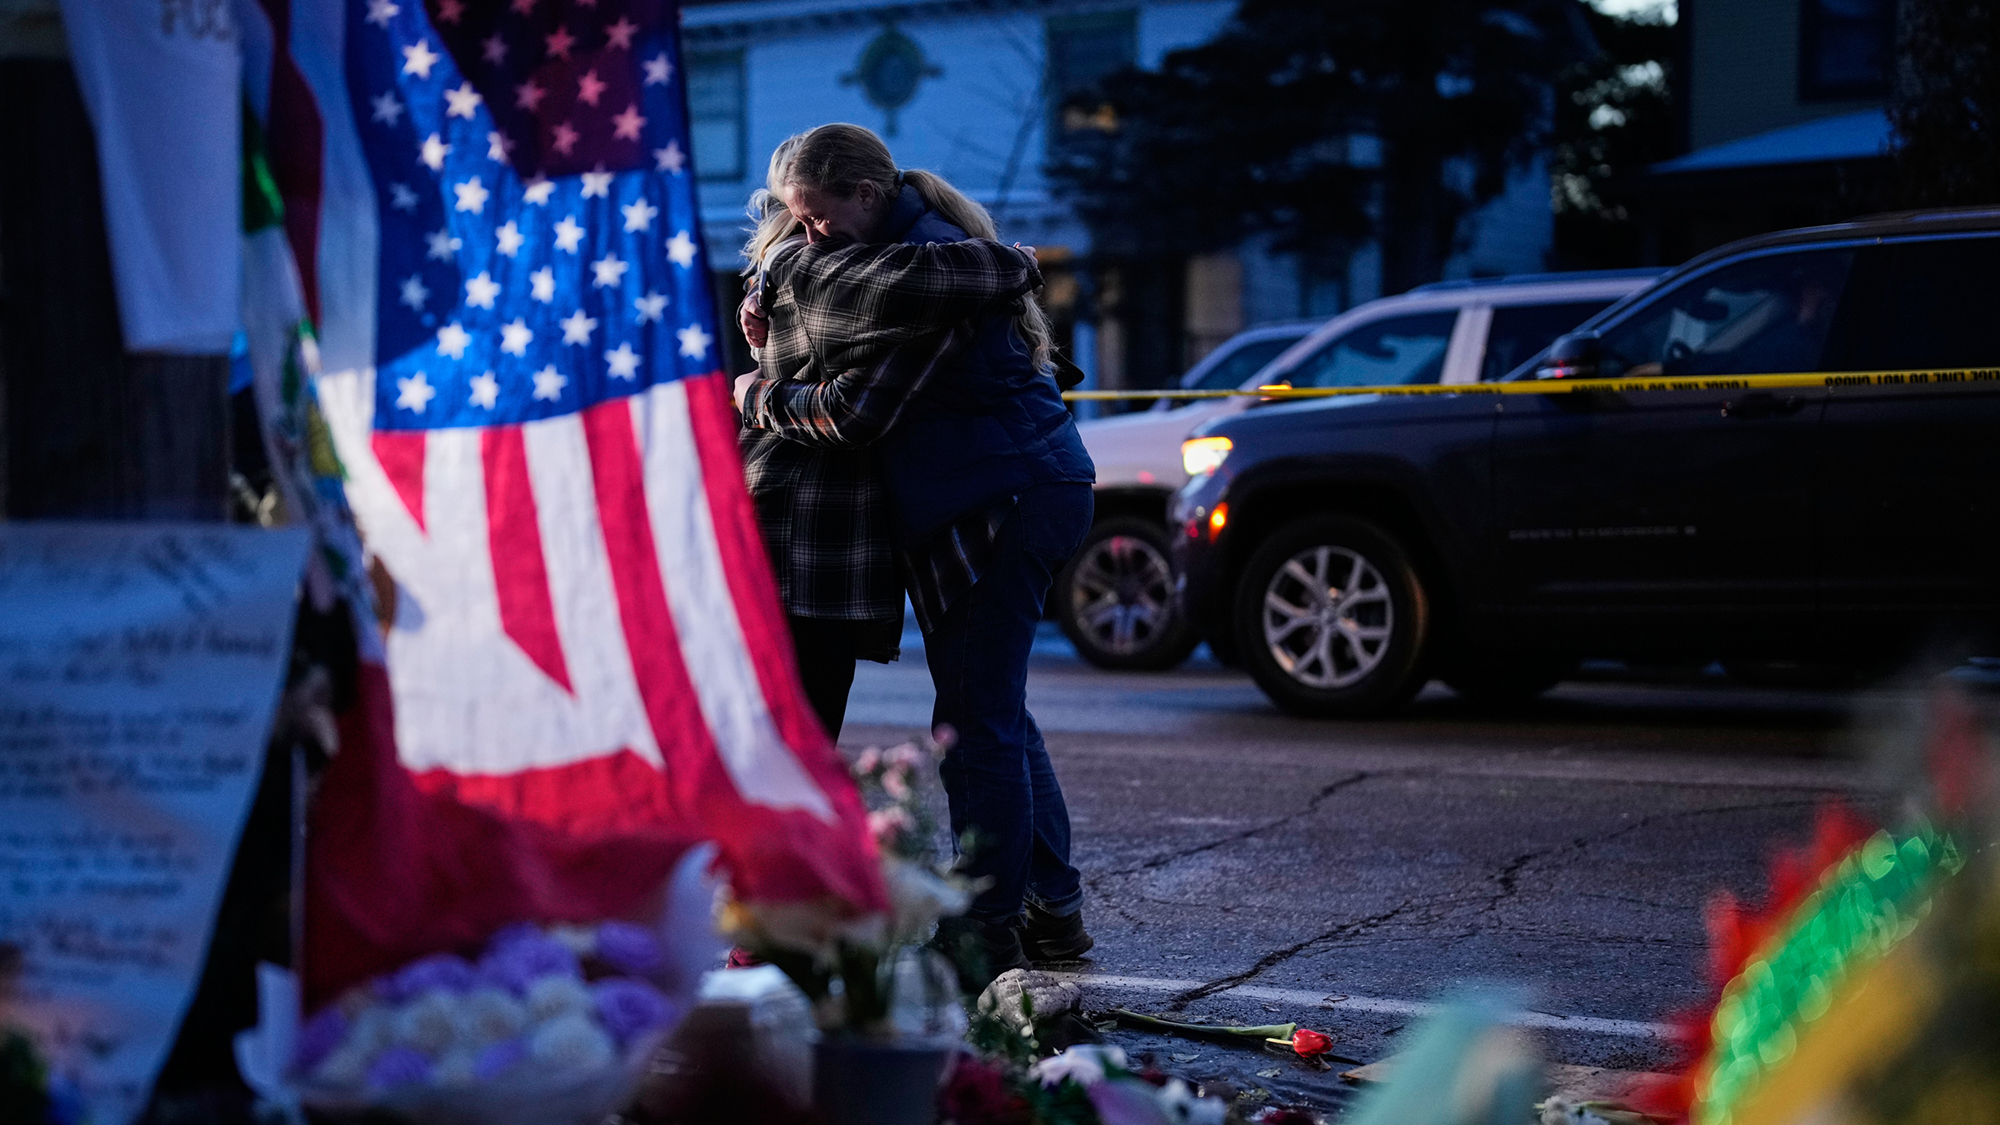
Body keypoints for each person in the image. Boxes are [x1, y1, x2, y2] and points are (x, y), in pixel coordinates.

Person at [735, 124, 1097, 984]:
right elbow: (800, 268)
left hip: (1000, 497)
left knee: (974, 728)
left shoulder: (926, 275)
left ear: (867, 195)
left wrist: (757, 394)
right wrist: (772, 272)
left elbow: (857, 413)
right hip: (992, 491)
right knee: (994, 712)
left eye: (817, 217)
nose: (806, 234)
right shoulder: (880, 254)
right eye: (794, 220)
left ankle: (986, 933)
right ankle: (1054, 911)